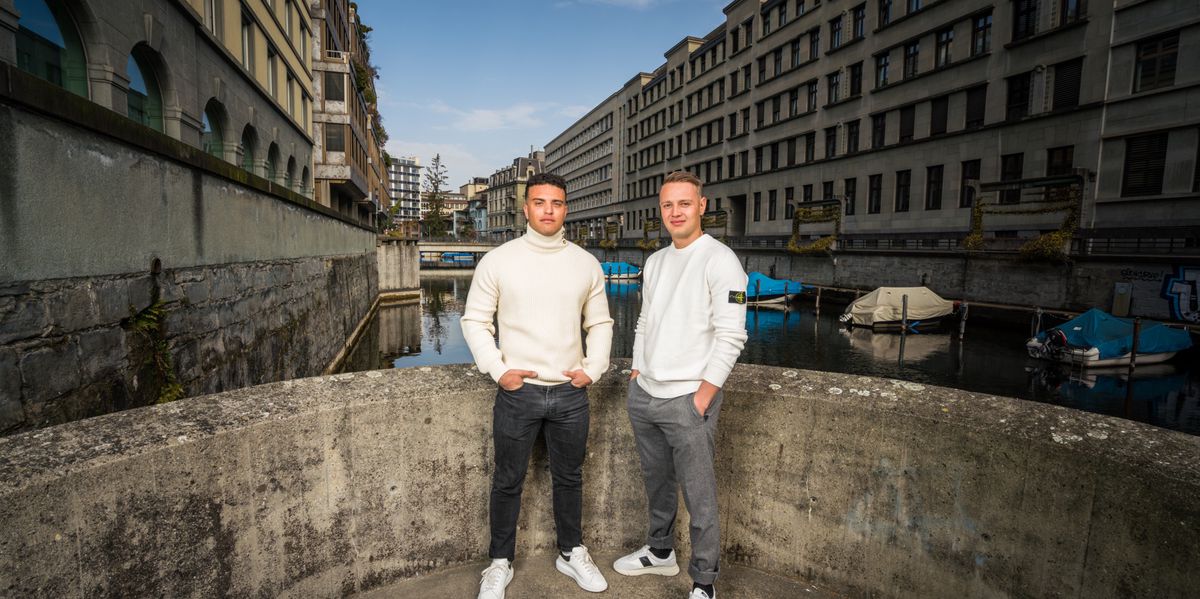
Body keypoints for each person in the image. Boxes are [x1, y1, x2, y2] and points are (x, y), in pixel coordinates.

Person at [460, 172, 614, 599]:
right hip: (518, 393)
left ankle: (571, 552)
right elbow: (475, 320)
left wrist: (594, 367)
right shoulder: (499, 260)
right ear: (525, 208)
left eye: (557, 203)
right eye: (540, 202)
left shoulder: (585, 262)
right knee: (507, 479)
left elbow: (599, 322)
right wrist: (496, 368)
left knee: (570, 478)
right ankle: (499, 563)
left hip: (570, 393)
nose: (548, 210)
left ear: (567, 208)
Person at [613, 171, 748, 599]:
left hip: (689, 398)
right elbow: (644, 321)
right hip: (646, 393)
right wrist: (637, 370)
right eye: (668, 205)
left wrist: (703, 396)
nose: (675, 212)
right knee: (656, 484)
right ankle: (660, 552)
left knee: (699, 495)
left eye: (684, 204)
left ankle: (705, 582)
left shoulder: (721, 260)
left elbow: (732, 336)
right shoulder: (654, 262)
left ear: (702, 206)